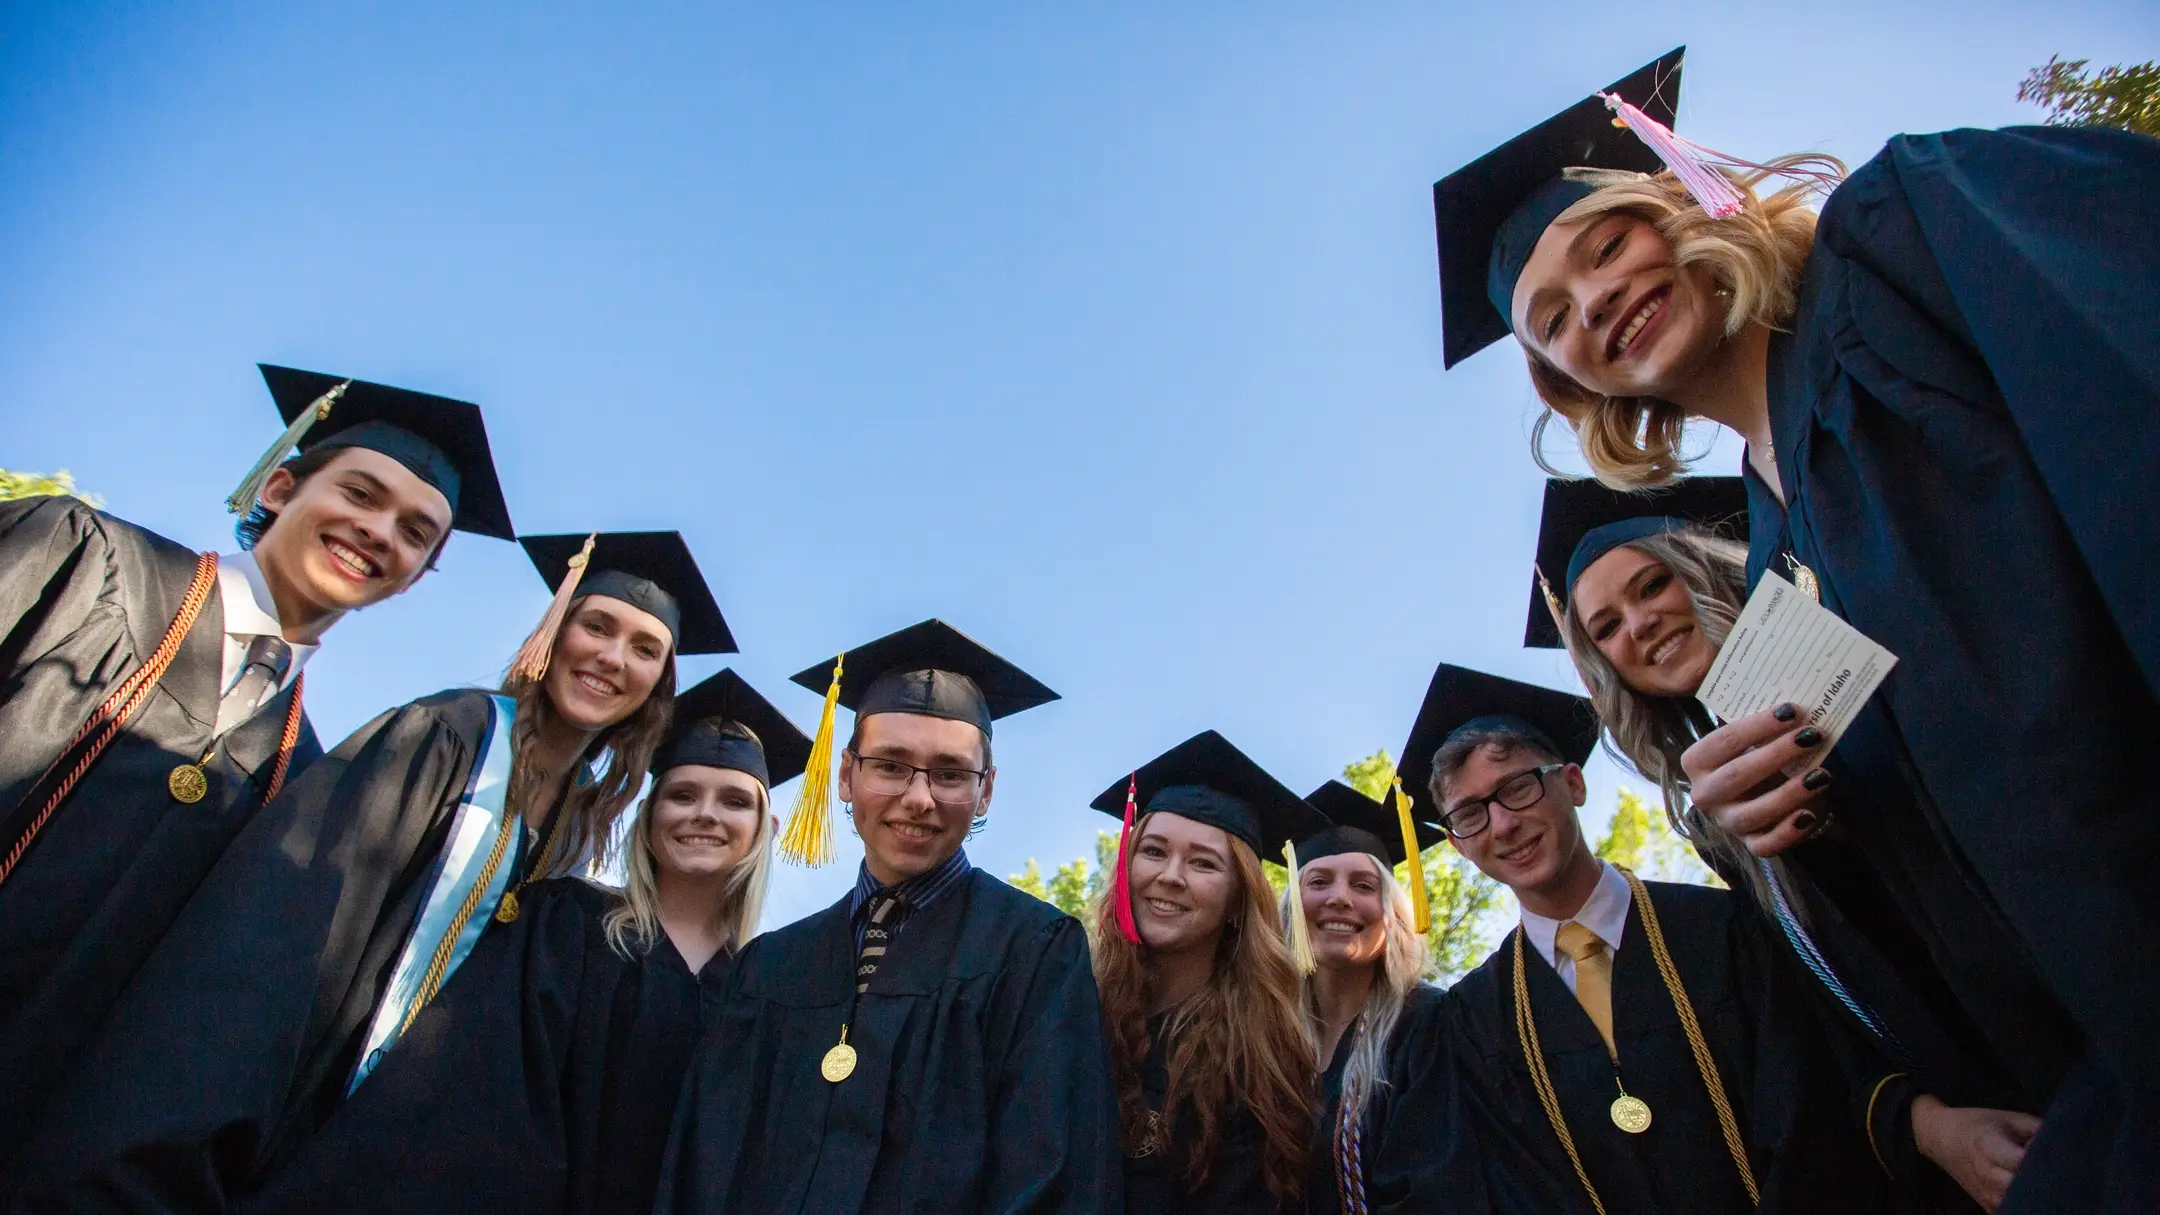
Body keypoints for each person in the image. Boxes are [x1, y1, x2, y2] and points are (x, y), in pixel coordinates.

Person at [1434, 46, 2160, 1210]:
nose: (1595, 304)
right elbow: (1950, 846)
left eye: (1606, 246)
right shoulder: (1779, 562)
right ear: (1565, 382)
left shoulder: (1904, 236)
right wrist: (1783, 826)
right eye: (1553, 318)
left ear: (1677, 198)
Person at [9, 529, 729, 1210]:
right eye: (596, 625)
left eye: (644, 649)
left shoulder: (574, 826)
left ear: (656, 687)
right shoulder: (449, 736)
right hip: (280, 1116)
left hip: (383, 1151)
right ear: (552, 632)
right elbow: (281, 935)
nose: (612, 656)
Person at [0, 363, 514, 1173]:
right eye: (361, 494)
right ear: (278, 486)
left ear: (417, 579)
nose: (382, 532)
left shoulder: (303, 775)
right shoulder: (81, 560)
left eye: (417, 533)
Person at [1535, 478, 2072, 1212]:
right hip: (1992, 1115)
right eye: (1606, 627)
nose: (1640, 622)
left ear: (1695, 565)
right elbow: (1820, 1013)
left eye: (1653, 582)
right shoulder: (1718, 829)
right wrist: (1929, 1124)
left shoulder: (1857, 630)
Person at [218, 666, 805, 1215]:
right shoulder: (565, 925)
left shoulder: (772, 988)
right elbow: (478, 1106)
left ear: (765, 829)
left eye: (733, 801)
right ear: (650, 815)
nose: (704, 814)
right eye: (682, 795)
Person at [654, 619, 1121, 1214]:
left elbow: (1053, 1182)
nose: (919, 798)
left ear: (987, 791)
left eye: (951, 774)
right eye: (891, 765)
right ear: (846, 775)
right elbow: (705, 1174)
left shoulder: (1034, 953)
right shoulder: (768, 968)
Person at [1400, 662, 1885, 1214]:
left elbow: (1811, 1116)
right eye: (1469, 814)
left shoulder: (1725, 928)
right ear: (1459, 845)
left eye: (1517, 787)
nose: (1502, 825)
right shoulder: (1471, 1019)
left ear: (1573, 783)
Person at [1087, 729, 1325, 1214]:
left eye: (1203, 863)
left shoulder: (1262, 1055)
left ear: (1239, 901)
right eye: (1153, 851)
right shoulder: (1072, 1005)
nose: (1170, 876)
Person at [1292, 780, 1448, 1215]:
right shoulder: (1264, 1034)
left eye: (1364, 886)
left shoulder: (1427, 1025)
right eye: (1319, 881)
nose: (1339, 898)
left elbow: (1438, 1189)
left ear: (1393, 914)